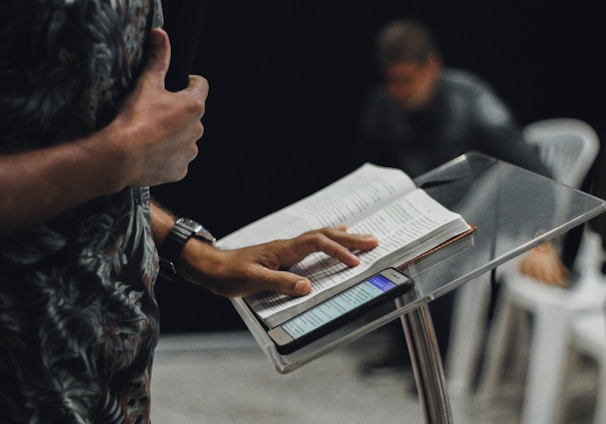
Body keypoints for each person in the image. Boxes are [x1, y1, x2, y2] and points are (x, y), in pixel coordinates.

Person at [0, 2, 379, 423]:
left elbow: (79, 157)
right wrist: (116, 157)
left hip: (108, 379)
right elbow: (112, 157)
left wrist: (192, 251)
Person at [353, 18, 569, 372]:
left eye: (407, 79)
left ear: (432, 65)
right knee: (377, 243)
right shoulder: (383, 105)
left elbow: (536, 173)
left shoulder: (473, 101)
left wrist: (542, 241)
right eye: (391, 80)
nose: (399, 90)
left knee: (440, 251)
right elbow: (369, 176)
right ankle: (408, 346)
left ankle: (445, 355)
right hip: (425, 211)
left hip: (485, 217)